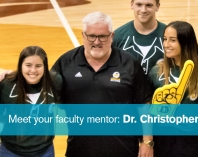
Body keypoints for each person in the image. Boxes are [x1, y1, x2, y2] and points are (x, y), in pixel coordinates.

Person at [51, 12, 153, 157]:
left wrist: (147, 142)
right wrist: (10, 75)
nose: (97, 42)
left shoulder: (128, 63)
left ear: (111, 36)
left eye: (102, 36)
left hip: (123, 150)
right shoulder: (66, 62)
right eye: (91, 36)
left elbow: (144, 105)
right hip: (79, 150)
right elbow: (42, 89)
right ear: (83, 35)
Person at [148, 21, 198, 157]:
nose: (166, 44)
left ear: (185, 43)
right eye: (165, 39)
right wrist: (146, 142)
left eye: (172, 40)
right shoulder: (156, 72)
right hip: (160, 139)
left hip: (188, 142)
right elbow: (146, 111)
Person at [0, 46, 62, 157]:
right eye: (28, 65)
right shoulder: (6, 85)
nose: (33, 70)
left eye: (38, 66)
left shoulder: (55, 82)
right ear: (20, 66)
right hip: (10, 150)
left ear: (45, 66)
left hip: (44, 150)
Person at [112, 0, 166, 75]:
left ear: (157, 6)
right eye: (139, 4)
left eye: (149, 5)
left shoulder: (169, 36)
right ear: (132, 5)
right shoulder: (117, 36)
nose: (143, 10)